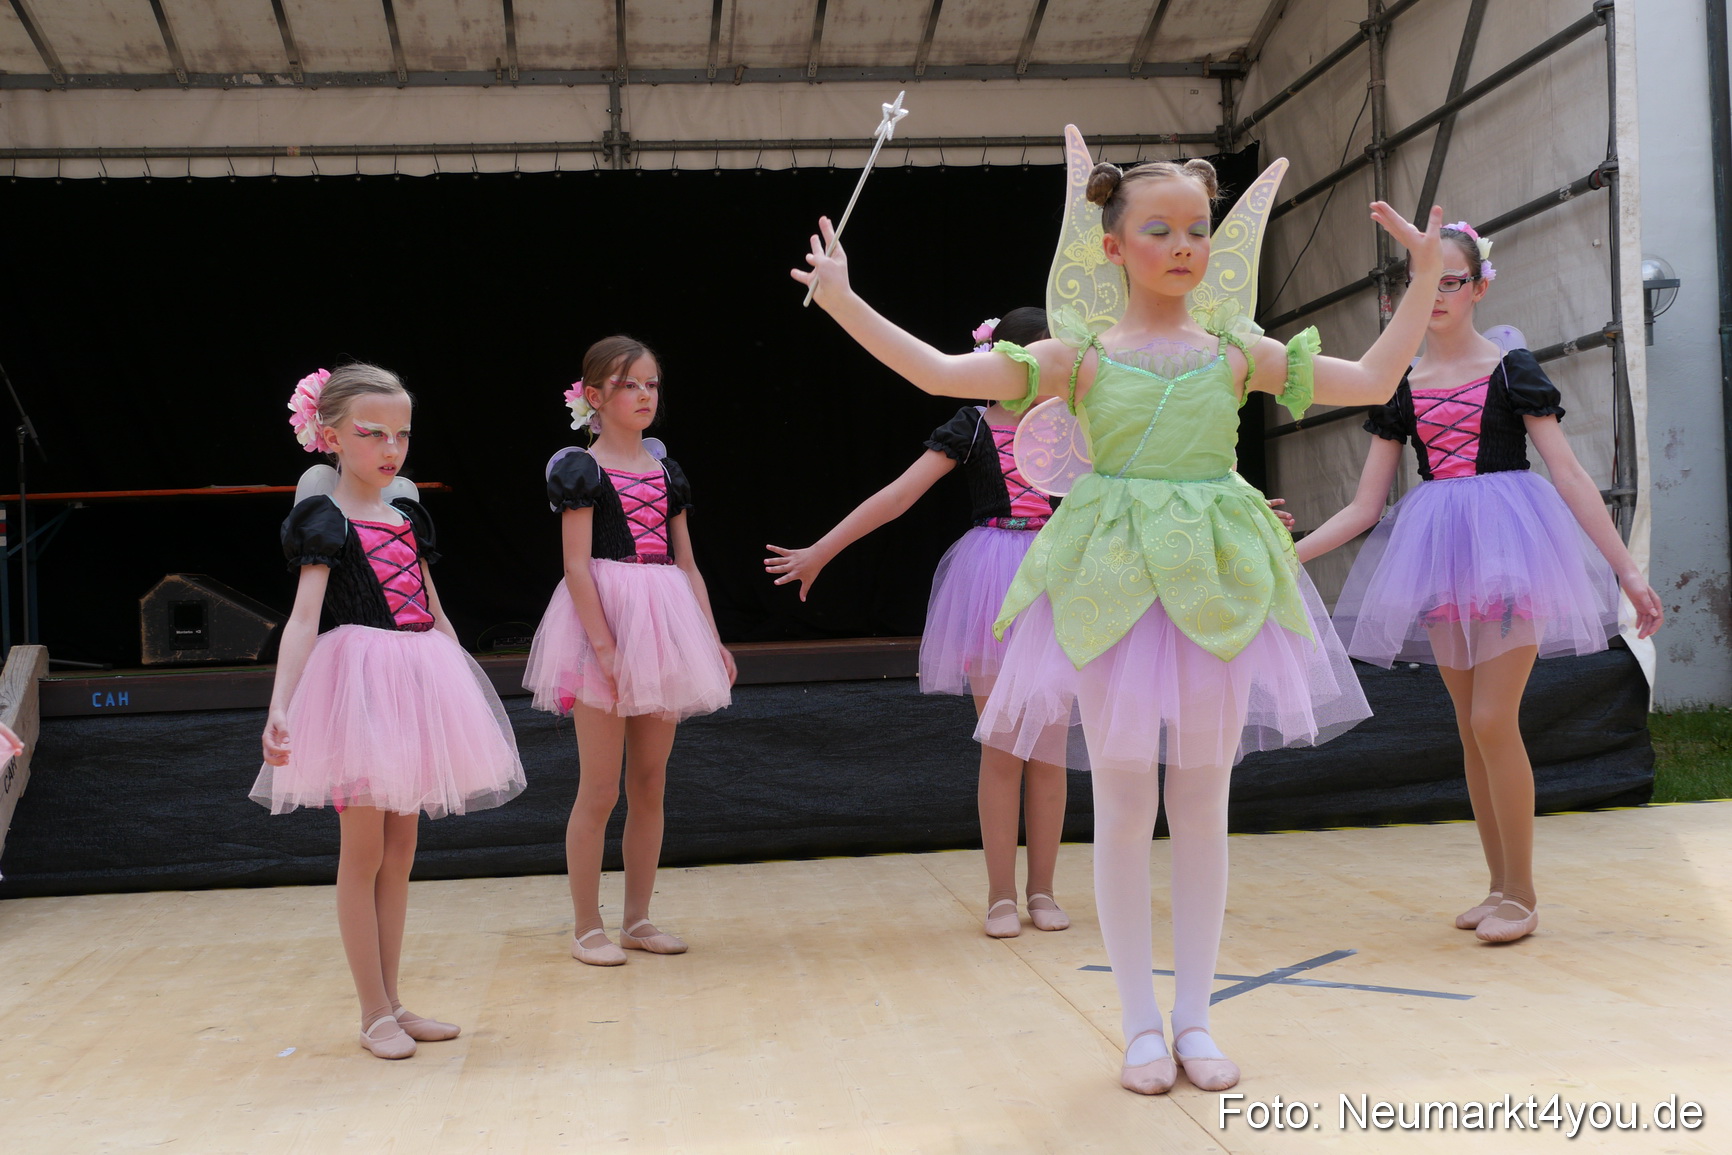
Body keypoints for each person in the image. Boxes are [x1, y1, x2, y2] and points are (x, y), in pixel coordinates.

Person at [791, 129, 1444, 1094]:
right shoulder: (1079, 357)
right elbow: (939, 372)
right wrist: (844, 299)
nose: (1184, 245)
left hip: (1219, 585)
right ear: (1112, 245)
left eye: (1197, 229)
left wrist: (1425, 278)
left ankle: (1194, 1018)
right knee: (1129, 803)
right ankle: (1141, 1021)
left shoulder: (1236, 352)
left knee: (1205, 806)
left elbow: (1375, 383)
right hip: (1109, 587)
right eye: (1160, 228)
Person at [1296, 221, 1664, 945]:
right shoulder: (1400, 386)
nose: (1433, 294)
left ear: (1480, 286)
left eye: (1450, 280)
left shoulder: (1511, 369)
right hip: (1437, 556)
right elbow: (1366, 505)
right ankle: (1497, 885)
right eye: (1420, 281)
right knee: (1470, 728)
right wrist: (1292, 555)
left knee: (1495, 719)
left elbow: (1569, 473)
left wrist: (1628, 569)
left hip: (1510, 550)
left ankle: (1523, 894)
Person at [765, 307, 1073, 938]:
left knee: (1050, 748)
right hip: (992, 582)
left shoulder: (1077, 426)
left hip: (1061, 579)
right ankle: (999, 895)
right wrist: (822, 550)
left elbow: (1145, 483)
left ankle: (1043, 890)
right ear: (1007, 361)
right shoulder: (974, 423)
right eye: (1037, 357)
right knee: (1003, 744)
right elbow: (900, 495)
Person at [255, 364, 526, 1059]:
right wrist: (280, 705)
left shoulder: (408, 516)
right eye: (372, 432)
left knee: (401, 852)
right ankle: (371, 1008)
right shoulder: (323, 518)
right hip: (357, 691)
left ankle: (394, 999)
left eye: (401, 433)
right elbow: (303, 619)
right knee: (364, 850)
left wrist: (460, 685)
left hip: (415, 684)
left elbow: (434, 613)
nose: (390, 447)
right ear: (330, 435)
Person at [524, 336, 735, 967]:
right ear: (594, 396)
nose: (644, 395)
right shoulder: (580, 470)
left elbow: (687, 564)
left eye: (651, 384)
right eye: (628, 385)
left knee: (649, 782)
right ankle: (587, 926)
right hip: (604, 625)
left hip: (663, 622)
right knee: (599, 788)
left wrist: (710, 635)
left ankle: (638, 918)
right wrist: (606, 647)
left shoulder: (668, 471)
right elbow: (576, 565)